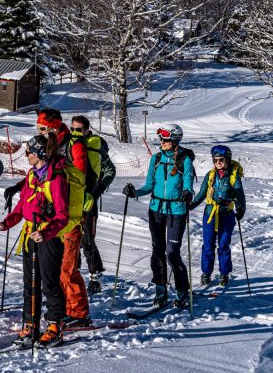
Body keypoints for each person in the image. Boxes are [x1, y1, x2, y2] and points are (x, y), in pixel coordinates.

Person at [4, 108, 90, 327]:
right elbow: (38, 175)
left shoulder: (72, 145)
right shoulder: (42, 149)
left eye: (42, 128)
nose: (39, 131)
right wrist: (21, 188)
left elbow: (79, 180)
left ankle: (76, 314)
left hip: (68, 216)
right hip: (44, 218)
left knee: (64, 271)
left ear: (53, 127)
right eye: (37, 127)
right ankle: (59, 313)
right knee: (45, 275)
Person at [0, 134, 69, 349]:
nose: (26, 156)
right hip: (29, 235)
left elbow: (63, 215)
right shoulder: (32, 176)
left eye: (29, 153)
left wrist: (46, 233)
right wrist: (4, 224)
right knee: (30, 284)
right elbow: (21, 208)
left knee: (49, 283)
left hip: (48, 238)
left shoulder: (57, 179)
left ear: (40, 154)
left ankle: (54, 327)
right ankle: (30, 325)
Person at [123, 124, 194, 308]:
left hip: (176, 211)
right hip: (156, 210)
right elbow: (148, 186)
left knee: (172, 254)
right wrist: (134, 193)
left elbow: (188, 185)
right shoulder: (156, 159)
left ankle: (181, 290)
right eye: (161, 139)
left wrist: (187, 194)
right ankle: (160, 289)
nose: (162, 142)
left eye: (166, 139)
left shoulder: (184, 160)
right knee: (157, 251)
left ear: (175, 140)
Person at [71, 115, 117, 295]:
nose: (75, 133)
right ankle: (73, 273)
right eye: (72, 129)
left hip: (89, 201)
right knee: (70, 239)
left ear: (87, 131)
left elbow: (111, 170)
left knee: (87, 240)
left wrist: (97, 192)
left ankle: (95, 276)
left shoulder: (95, 148)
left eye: (79, 130)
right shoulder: (69, 145)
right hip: (70, 201)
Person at [189, 145, 245, 287]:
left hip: (226, 215)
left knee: (223, 245)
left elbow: (240, 195)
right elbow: (202, 194)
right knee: (208, 245)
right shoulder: (210, 175)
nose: (218, 163)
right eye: (215, 160)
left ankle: (224, 273)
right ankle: (206, 273)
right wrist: (190, 206)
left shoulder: (233, 176)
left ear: (228, 159)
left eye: (221, 160)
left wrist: (241, 209)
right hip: (210, 215)